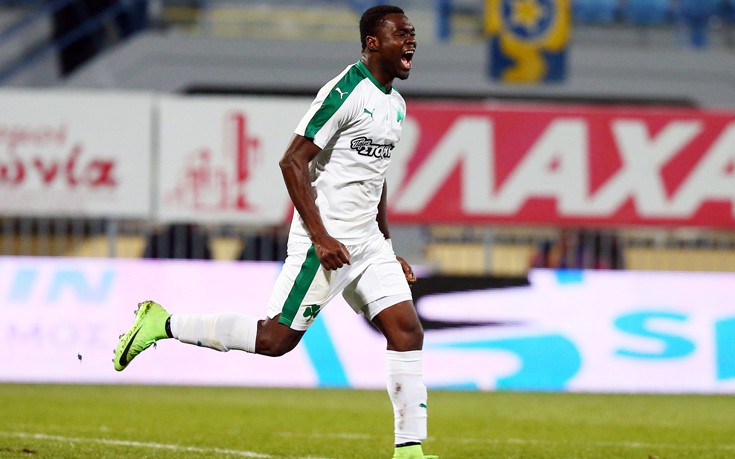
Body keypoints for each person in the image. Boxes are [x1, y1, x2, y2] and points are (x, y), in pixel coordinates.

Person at [113, 5, 436, 459]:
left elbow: (375, 178)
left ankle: (409, 450)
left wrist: (386, 244)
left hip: (368, 244)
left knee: (407, 332)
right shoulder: (345, 92)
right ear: (372, 43)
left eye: (412, 34)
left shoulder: (395, 105)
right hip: (326, 242)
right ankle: (161, 323)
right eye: (401, 34)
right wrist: (321, 237)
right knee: (274, 340)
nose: (411, 41)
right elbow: (292, 162)